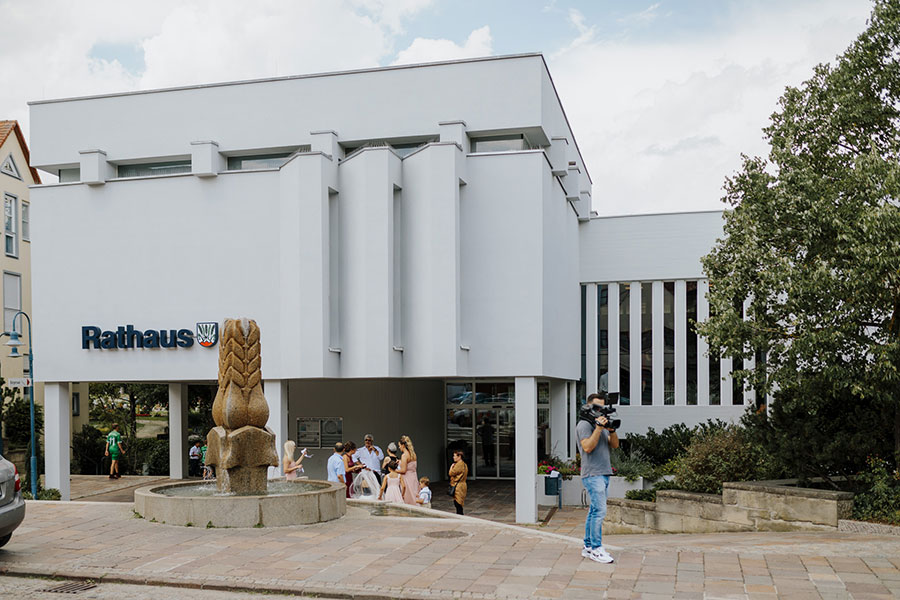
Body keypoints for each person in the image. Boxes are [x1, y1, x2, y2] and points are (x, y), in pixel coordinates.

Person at [577, 392, 619, 564]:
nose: (601, 411)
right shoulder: (584, 425)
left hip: (603, 472)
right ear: (588, 407)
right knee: (600, 512)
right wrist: (599, 428)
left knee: (594, 510)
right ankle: (596, 548)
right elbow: (587, 447)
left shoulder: (600, 424)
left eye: (603, 408)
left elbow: (614, 445)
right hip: (592, 473)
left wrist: (612, 430)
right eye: (597, 408)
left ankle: (588, 547)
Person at [397, 435, 419, 504]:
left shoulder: (404, 455)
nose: (399, 447)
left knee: (408, 497)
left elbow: (403, 470)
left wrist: (394, 470)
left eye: (399, 445)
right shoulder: (413, 454)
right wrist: (400, 461)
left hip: (407, 479)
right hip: (414, 477)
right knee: (415, 494)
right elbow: (410, 465)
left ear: (403, 445)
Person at [448, 450, 468, 514]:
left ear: (459, 457)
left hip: (458, 485)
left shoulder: (459, 464)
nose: (453, 457)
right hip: (462, 485)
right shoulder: (464, 464)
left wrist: (451, 467)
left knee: (458, 502)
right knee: (459, 502)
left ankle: (460, 516)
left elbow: (451, 473)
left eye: (454, 456)